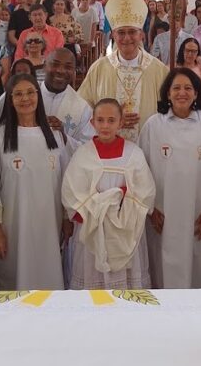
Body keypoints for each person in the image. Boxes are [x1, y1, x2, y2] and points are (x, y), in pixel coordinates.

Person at [139, 68, 201, 289]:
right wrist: (150, 209)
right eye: (176, 88)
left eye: (188, 88)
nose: (182, 93)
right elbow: (141, 171)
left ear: (197, 93)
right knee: (164, 272)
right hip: (163, 215)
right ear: (167, 93)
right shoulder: (153, 125)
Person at [0, 74, 70, 290]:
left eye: (30, 92)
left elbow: (65, 180)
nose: (25, 99)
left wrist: (66, 218)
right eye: (18, 94)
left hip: (49, 223)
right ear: (10, 99)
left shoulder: (54, 135)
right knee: (17, 281)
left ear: (38, 96)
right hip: (14, 224)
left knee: (50, 277)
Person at [62, 99, 155, 289]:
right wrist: (99, 209)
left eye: (111, 120)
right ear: (92, 122)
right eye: (100, 120)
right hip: (93, 228)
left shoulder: (134, 153)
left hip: (126, 227)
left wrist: (119, 201)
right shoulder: (82, 154)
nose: (105, 126)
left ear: (121, 123)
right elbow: (72, 191)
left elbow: (145, 190)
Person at [78, 0, 170, 141]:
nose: (127, 38)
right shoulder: (99, 68)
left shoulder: (158, 70)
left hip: (147, 145)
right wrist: (111, 120)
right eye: (121, 32)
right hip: (108, 146)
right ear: (113, 35)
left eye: (132, 32)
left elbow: (169, 112)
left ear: (141, 35)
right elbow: (82, 108)